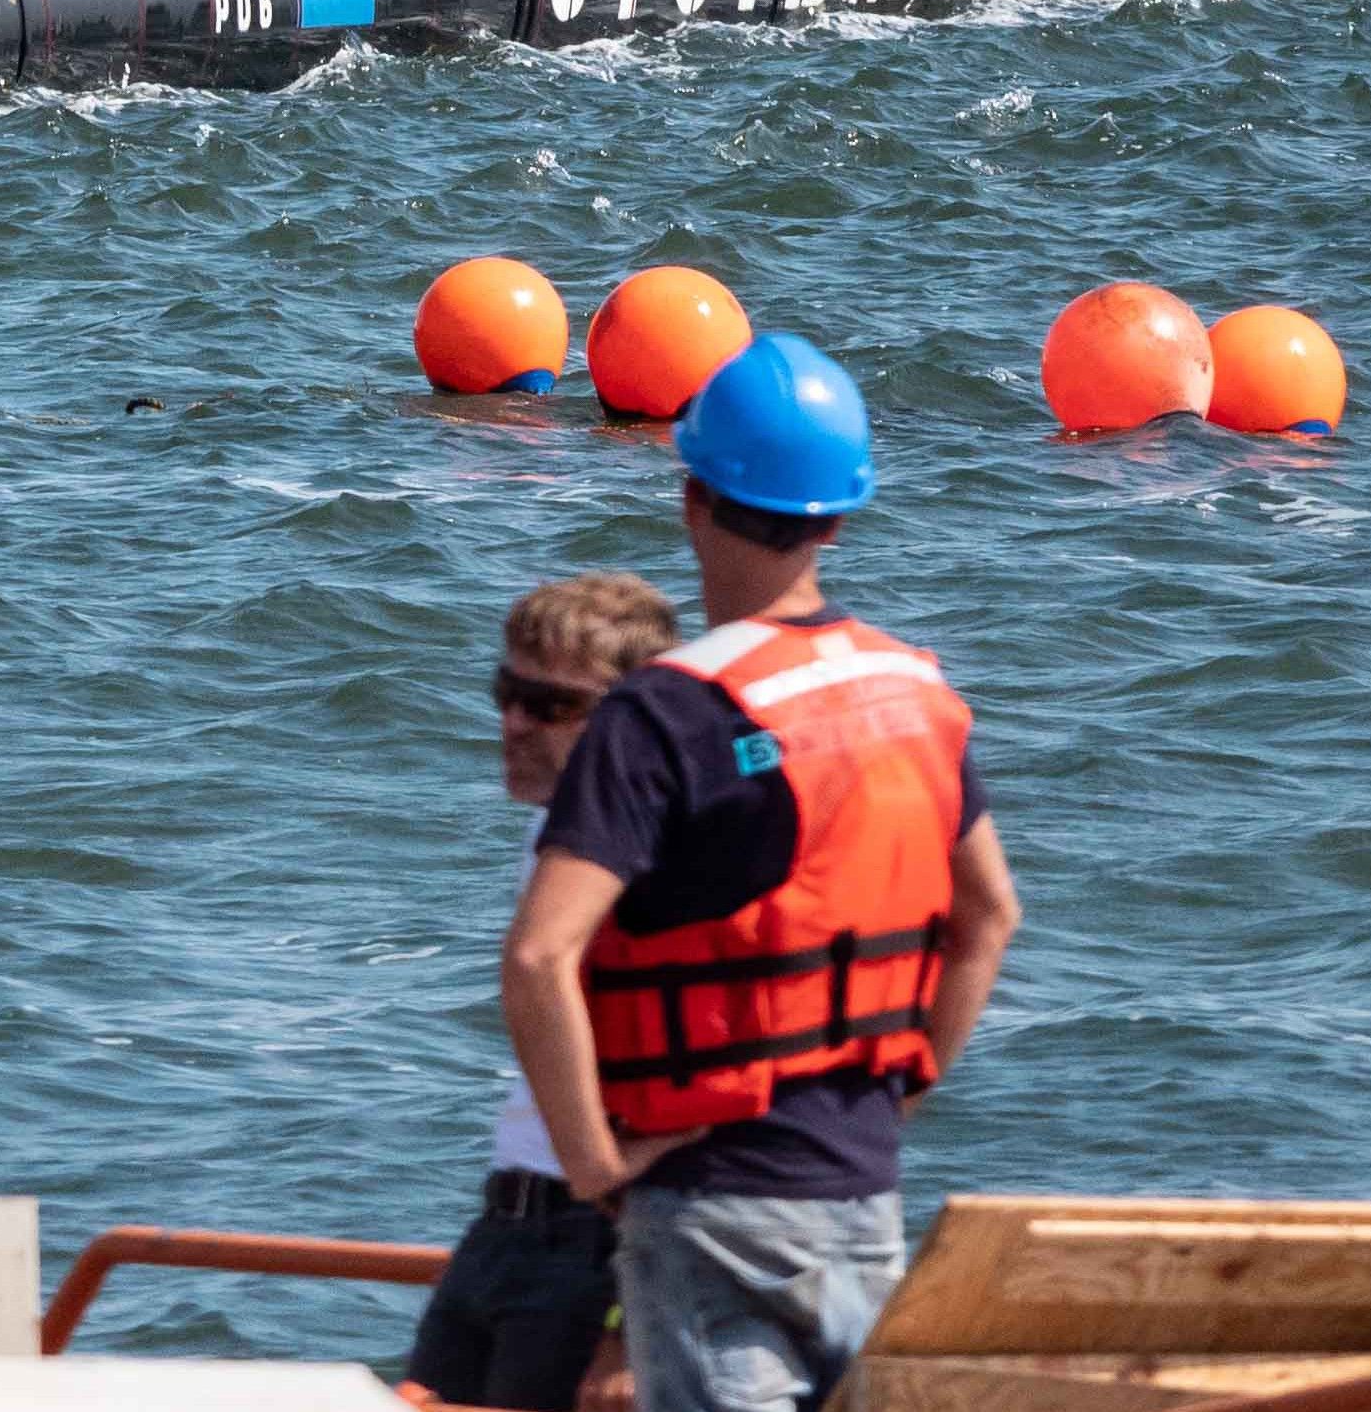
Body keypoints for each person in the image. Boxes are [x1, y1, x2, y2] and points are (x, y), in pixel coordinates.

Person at [500, 336, 1021, 1412]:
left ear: (691, 496)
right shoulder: (913, 689)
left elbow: (540, 955)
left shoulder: (665, 710)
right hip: (861, 1185)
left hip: (707, 1198)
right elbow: (987, 919)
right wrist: (905, 1086)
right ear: (838, 513)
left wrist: (594, 1169)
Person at [408, 571, 682, 1412]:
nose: (513, 722)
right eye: (506, 691)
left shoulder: (665, 852)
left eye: (549, 704)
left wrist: (622, 1320)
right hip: (507, 1221)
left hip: (593, 1242)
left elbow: (700, 1084)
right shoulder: (560, 831)